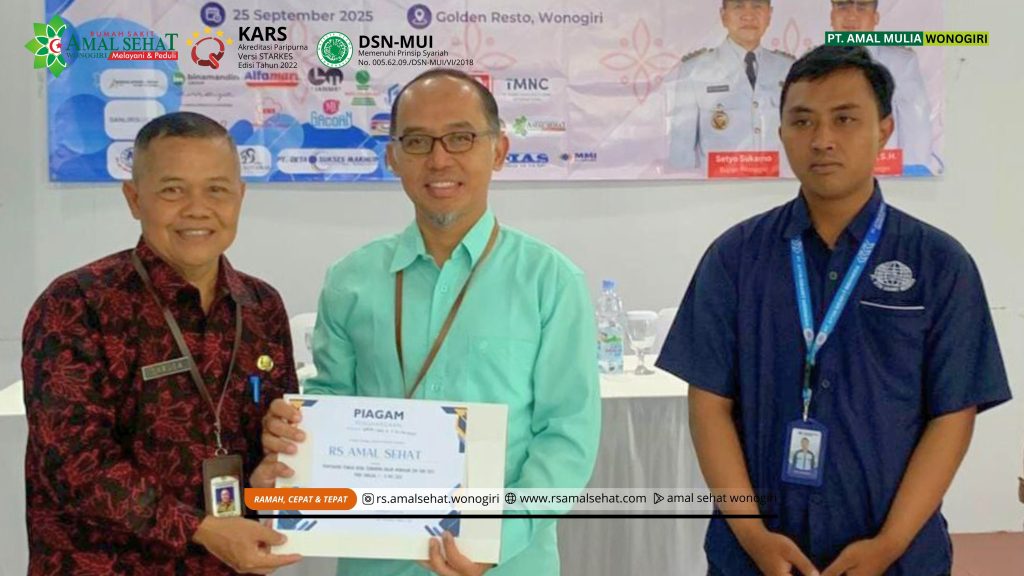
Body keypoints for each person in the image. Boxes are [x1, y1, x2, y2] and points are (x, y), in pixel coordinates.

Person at [657, 46, 1010, 575]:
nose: (822, 139)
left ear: (885, 130)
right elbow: (708, 404)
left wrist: (889, 544)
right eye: (803, 121)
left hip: (896, 558)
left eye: (845, 119)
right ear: (781, 133)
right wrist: (752, 534)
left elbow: (952, 414)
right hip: (755, 557)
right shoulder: (734, 258)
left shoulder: (940, 264)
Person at [256, 68, 601, 576]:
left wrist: (495, 538)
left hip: (506, 563)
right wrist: (295, 434)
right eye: (417, 141)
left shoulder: (549, 281)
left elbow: (567, 434)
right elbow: (332, 401)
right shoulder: (351, 280)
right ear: (392, 156)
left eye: (461, 138)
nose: (439, 159)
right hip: (378, 563)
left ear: (499, 150)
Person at [22, 111, 302, 574]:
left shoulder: (261, 306)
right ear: (134, 199)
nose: (197, 209)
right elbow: (73, 464)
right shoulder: (77, 303)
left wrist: (271, 475)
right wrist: (201, 529)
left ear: (240, 196)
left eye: (217, 189)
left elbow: (271, 443)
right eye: (173, 190)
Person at [668, 0, 795, 172]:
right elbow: (681, 148)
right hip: (719, 185)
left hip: (778, 183)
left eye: (757, 6)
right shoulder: (695, 69)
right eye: (738, 6)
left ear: (769, 15)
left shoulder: (788, 68)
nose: (748, 15)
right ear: (723, 16)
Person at [830, 0, 935, 173]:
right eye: (842, 6)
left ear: (875, 17)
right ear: (832, 16)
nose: (851, 16)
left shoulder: (900, 63)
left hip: (885, 172)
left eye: (861, 8)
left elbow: (915, 122)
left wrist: (913, 172)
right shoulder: (813, 65)